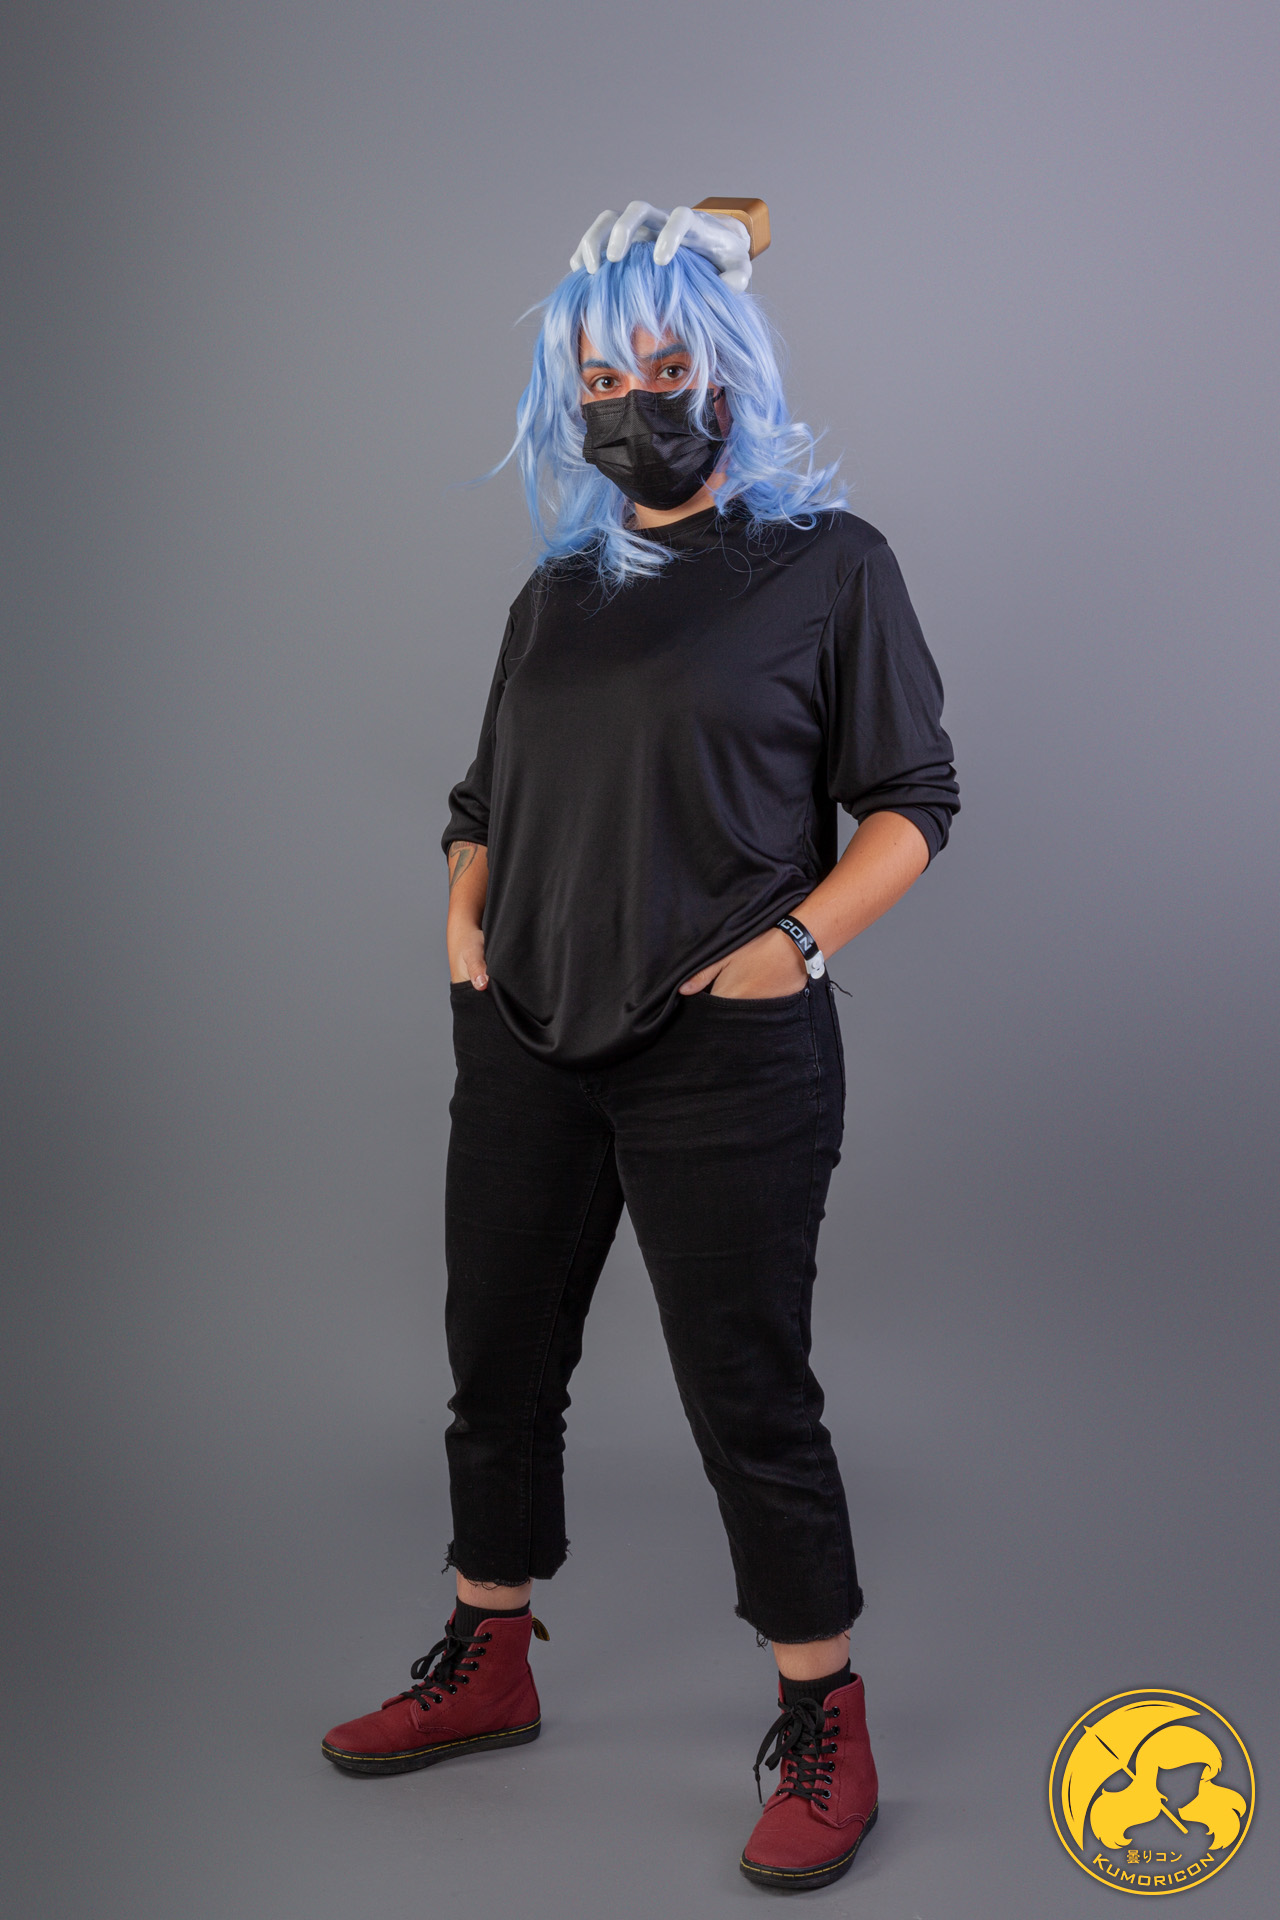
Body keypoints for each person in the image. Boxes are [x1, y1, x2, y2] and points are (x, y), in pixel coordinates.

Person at [321, 201, 959, 1894]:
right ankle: (490, 1656)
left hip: (722, 1054)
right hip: (527, 1032)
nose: (630, 403)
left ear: (728, 374)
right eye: (598, 379)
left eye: (662, 368)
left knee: (747, 1390)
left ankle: (826, 1718)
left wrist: (793, 946)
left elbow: (913, 801)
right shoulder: (559, 592)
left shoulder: (832, 566)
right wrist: (465, 927)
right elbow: (482, 801)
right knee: (497, 1362)